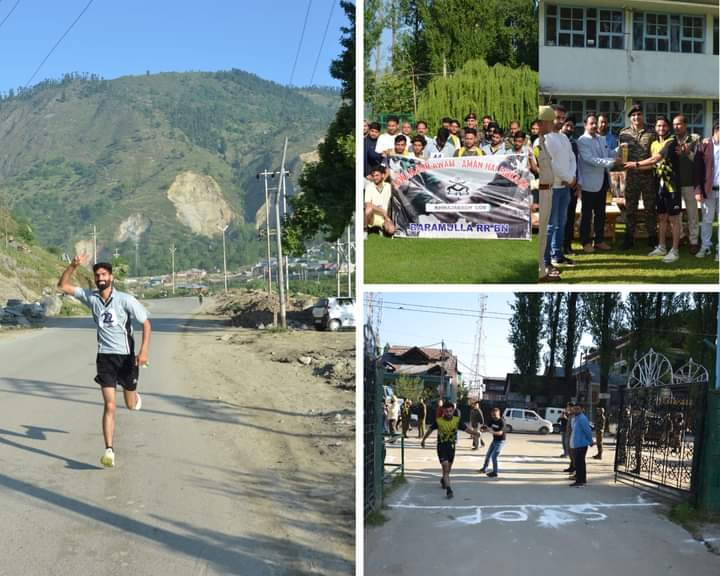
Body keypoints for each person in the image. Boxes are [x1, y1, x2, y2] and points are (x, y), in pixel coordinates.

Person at [57, 257, 151, 468]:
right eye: (97, 275)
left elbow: (146, 323)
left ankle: (134, 397)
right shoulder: (91, 298)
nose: (100, 278)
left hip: (127, 358)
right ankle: (109, 450)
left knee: (129, 405)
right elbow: (62, 286)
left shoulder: (125, 300)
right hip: (105, 358)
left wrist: (143, 351)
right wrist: (73, 266)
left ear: (111, 277)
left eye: (104, 275)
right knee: (110, 405)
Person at [625, 116, 682, 263]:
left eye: (664, 126)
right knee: (662, 217)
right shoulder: (655, 143)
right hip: (659, 185)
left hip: (672, 185)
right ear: (655, 128)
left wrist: (636, 164)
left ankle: (675, 250)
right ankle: (662, 247)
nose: (661, 128)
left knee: (674, 219)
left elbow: (656, 159)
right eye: (658, 126)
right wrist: (630, 166)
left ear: (668, 128)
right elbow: (652, 165)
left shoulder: (671, 142)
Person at [577, 114, 622, 252]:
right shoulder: (582, 140)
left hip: (603, 181)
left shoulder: (601, 139)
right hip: (589, 184)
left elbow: (608, 153)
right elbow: (590, 159)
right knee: (587, 215)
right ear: (585, 125)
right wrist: (612, 162)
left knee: (601, 214)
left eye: (596, 123)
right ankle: (585, 242)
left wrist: (620, 148)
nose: (595, 126)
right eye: (591, 123)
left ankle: (599, 240)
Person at [421, 401, 480, 498]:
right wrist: (424, 440)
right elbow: (430, 430)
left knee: (448, 469)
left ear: (453, 411)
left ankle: (444, 479)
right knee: (445, 467)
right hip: (441, 446)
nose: (448, 413)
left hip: (451, 447)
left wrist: (475, 433)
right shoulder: (439, 421)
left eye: (450, 411)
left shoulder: (457, 421)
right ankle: (449, 490)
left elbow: (466, 429)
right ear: (443, 411)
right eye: (446, 411)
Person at [544, 105, 578, 271]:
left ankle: (557, 255)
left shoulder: (564, 138)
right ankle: (545, 262)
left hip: (564, 187)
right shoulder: (546, 138)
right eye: (556, 117)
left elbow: (572, 158)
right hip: (552, 188)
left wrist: (570, 178)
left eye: (562, 118)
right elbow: (552, 164)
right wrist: (568, 178)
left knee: (561, 223)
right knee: (550, 226)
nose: (559, 121)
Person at [618, 104, 657, 250]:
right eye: (633, 115)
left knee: (650, 208)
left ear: (642, 115)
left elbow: (655, 155)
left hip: (648, 176)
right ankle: (629, 238)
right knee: (630, 209)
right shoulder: (624, 133)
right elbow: (621, 155)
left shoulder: (652, 132)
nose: (636, 117)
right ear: (630, 118)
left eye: (639, 114)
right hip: (632, 177)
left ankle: (652, 237)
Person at [671, 115, 702, 254]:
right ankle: (681, 236)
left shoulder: (695, 139)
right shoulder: (671, 140)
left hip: (690, 182)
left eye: (679, 124)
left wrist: (687, 151)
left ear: (685, 125)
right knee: (676, 214)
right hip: (675, 183)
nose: (676, 127)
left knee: (692, 214)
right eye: (674, 124)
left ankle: (694, 241)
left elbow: (700, 160)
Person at [536, 106, 560, 282]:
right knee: (540, 234)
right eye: (551, 121)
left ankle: (542, 271)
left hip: (548, 190)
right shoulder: (536, 144)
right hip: (540, 192)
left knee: (543, 234)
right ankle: (540, 272)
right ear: (543, 122)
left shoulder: (543, 141)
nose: (553, 124)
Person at [694, 120, 720, 260]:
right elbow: (697, 170)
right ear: (717, 130)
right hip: (708, 190)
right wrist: (698, 190)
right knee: (707, 220)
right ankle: (705, 246)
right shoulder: (703, 146)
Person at [363, 166, 395, 236]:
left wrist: (387, 217)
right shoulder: (369, 187)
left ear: (383, 175)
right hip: (372, 217)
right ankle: (365, 230)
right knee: (368, 209)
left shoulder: (389, 186)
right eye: (373, 176)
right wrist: (382, 211)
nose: (375, 178)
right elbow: (367, 204)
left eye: (377, 175)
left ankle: (382, 228)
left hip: (385, 217)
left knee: (391, 230)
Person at [478, 406, 506, 478]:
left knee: (494, 456)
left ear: (499, 414)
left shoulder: (502, 421)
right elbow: (486, 427)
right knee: (488, 455)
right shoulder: (492, 420)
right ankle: (484, 468)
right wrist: (482, 430)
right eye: (493, 415)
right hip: (494, 441)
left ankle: (495, 472)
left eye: (495, 415)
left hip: (501, 442)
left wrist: (491, 431)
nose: (494, 416)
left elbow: (500, 433)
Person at [569, 404, 593, 486]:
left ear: (582, 409)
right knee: (580, 463)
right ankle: (582, 480)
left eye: (578, 409)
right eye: (575, 409)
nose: (576, 410)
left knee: (579, 463)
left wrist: (591, 441)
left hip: (581, 444)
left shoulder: (582, 419)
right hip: (577, 444)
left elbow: (588, 431)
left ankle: (579, 481)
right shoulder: (576, 418)